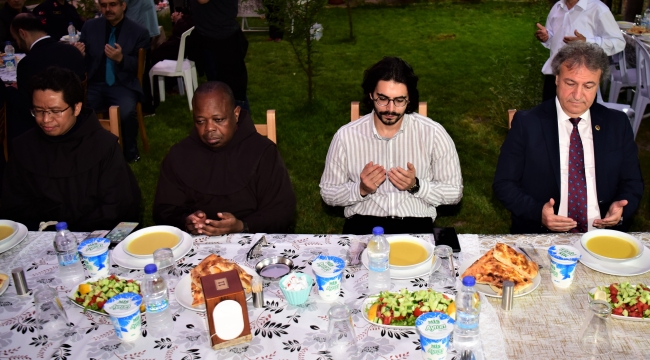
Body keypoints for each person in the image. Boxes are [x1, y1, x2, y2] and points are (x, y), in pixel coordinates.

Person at [493, 42, 644, 234]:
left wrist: (621, 209)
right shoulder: (527, 123)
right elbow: (504, 183)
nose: (577, 95)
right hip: (545, 234)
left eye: (588, 86)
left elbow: (633, 182)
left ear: (598, 84)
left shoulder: (617, 124)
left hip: (602, 234)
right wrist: (538, 212)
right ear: (557, 79)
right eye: (570, 83)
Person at [320, 57, 464, 235]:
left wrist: (416, 186)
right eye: (382, 99)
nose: (390, 108)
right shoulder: (346, 136)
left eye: (399, 100)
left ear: (409, 98)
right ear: (371, 94)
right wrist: (360, 189)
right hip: (363, 225)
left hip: (415, 224)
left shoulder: (433, 133)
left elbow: (454, 192)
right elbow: (328, 193)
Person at [0, 67, 141, 231]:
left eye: (55, 111)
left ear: (77, 108)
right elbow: (14, 206)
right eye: (38, 111)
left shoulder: (103, 146)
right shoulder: (23, 147)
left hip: (92, 238)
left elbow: (117, 207)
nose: (46, 120)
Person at [153, 81, 296, 235]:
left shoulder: (263, 152)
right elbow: (163, 210)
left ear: (235, 114)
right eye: (200, 121)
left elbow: (282, 211)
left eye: (218, 119)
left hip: (251, 240)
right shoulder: (179, 155)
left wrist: (242, 226)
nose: (209, 128)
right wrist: (186, 222)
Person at [73, 0, 149, 163]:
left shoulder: (138, 32)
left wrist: (121, 59)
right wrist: (79, 55)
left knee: (127, 111)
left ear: (123, 5)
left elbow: (141, 65)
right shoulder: (90, 27)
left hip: (122, 84)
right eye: (103, 5)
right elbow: (85, 62)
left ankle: (130, 151)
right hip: (95, 83)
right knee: (79, 110)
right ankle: (89, 152)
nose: (107, 9)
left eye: (112, 4)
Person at [8, 13, 85, 141]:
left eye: (16, 40)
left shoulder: (28, 63)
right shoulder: (73, 52)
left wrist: (9, 91)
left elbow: (26, 104)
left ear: (22, 34)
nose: (18, 45)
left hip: (45, 127)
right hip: (77, 116)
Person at [535, 0, 624, 101]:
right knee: (549, 114)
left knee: (578, 116)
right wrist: (547, 37)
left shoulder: (597, 8)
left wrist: (586, 43)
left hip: (582, 79)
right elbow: (554, 37)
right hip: (555, 75)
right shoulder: (558, 7)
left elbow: (618, 42)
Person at [188, 0, 248, 110]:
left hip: (224, 39)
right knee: (217, 87)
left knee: (232, 89)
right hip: (210, 37)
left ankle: (241, 123)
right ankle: (223, 119)